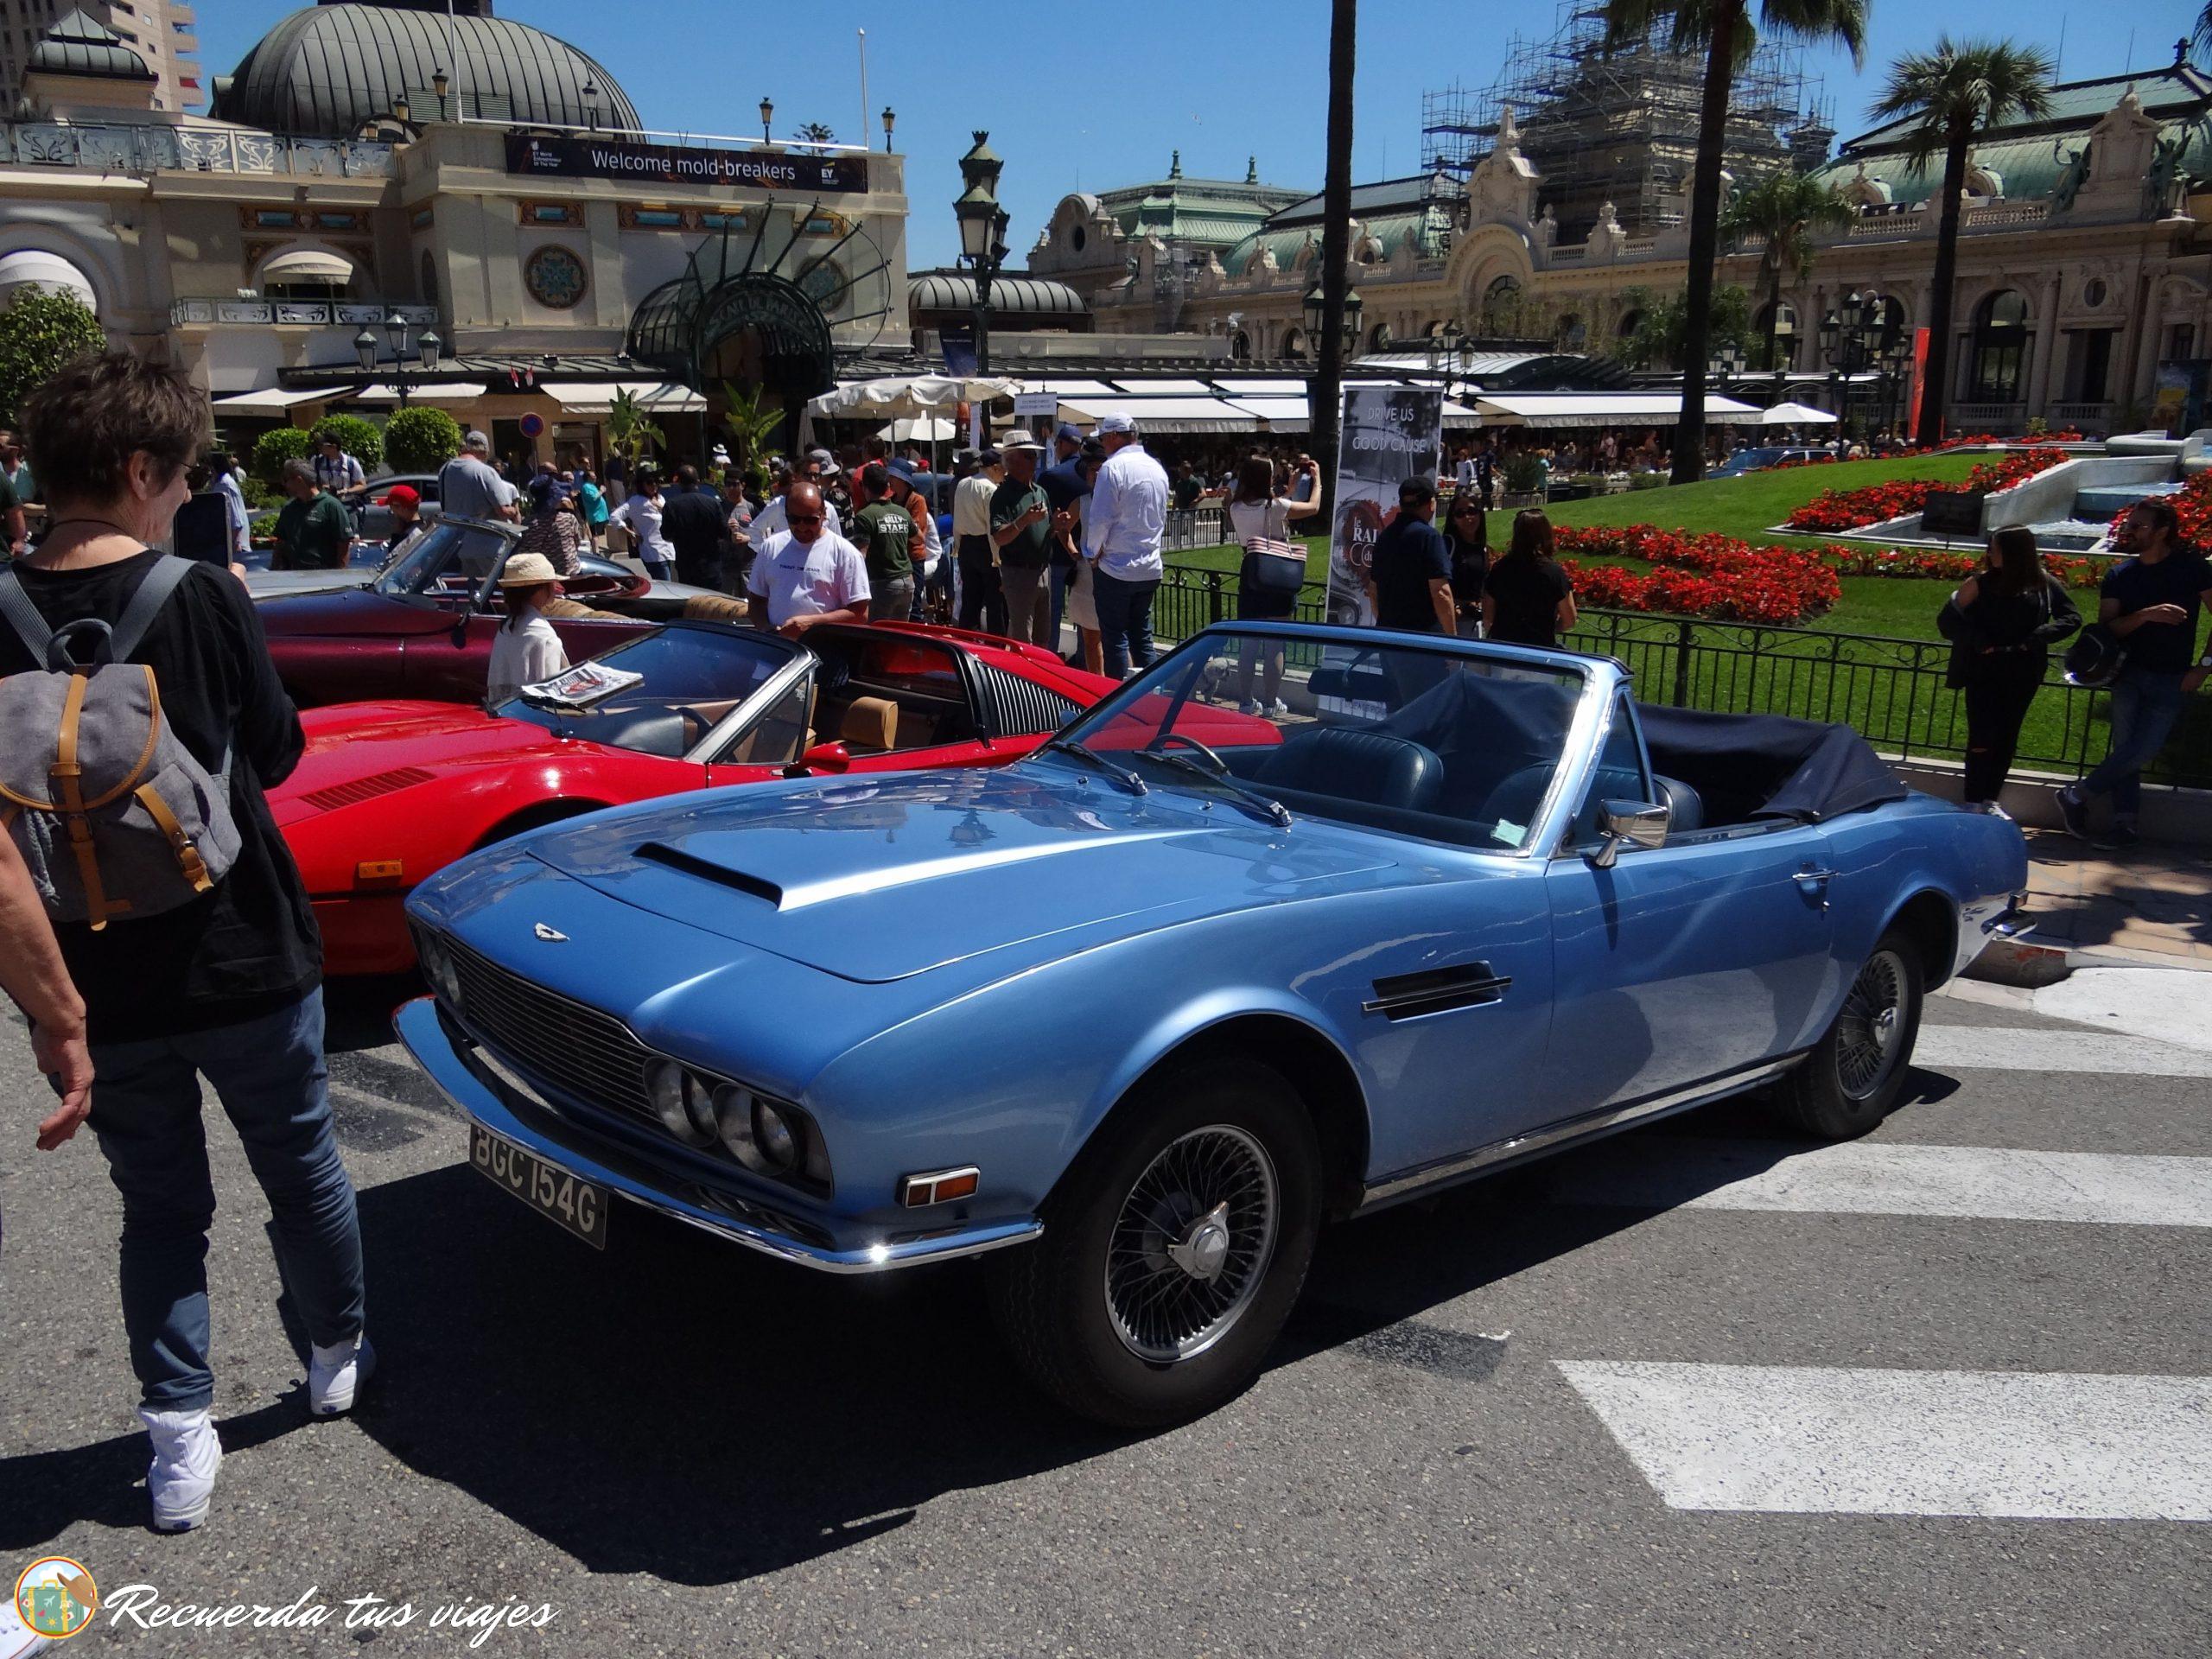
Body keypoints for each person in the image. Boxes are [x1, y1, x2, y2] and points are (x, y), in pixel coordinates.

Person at [0, 351, 366, 1532]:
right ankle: (334, 1352)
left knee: (158, 1206)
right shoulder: (200, 593)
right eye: (183, 475)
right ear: (141, 468)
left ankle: (176, 1442)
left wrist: (55, 1017)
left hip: (95, 973)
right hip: (243, 949)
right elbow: (277, 751)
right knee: (299, 1166)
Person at [2056, 498, 2212, 847]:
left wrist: (2203, 669)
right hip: (2126, 674)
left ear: (2163, 531)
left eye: (2139, 526)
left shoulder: (2192, 569)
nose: (2130, 531)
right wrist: (2144, 615)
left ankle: (2076, 796)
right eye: (2129, 524)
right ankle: (2124, 823)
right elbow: (2106, 630)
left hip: (2173, 676)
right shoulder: (2120, 575)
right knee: (2126, 749)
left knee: (2142, 750)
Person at [1938, 526, 2082, 814]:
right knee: (1982, 734)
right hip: (1984, 669)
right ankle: (1973, 800)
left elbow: (2072, 617)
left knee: (2007, 734)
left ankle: (1991, 798)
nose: (1989, 553)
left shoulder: (2043, 583)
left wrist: (2040, 635)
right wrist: (1978, 640)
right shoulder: (1978, 584)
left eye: (1995, 548)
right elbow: (1947, 622)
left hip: (2023, 669)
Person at [1228, 452, 1321, 713]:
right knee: (1274, 643)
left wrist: (1288, 490)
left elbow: (1269, 509)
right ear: (1265, 478)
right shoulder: (1276, 506)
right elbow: (1313, 507)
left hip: (1252, 572)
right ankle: (1270, 702)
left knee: (1249, 642)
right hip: (1277, 574)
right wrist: (1318, 481)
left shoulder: (1235, 507)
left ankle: (1245, 701)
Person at [1085, 414, 1170, 677]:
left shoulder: (1113, 468)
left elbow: (1100, 518)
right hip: (1149, 566)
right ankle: (1151, 697)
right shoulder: (1157, 468)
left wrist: (1092, 554)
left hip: (1116, 567)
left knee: (1115, 639)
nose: (1102, 445)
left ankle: (1117, 699)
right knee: (1142, 636)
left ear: (1113, 437)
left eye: (1102, 439)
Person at [747, 481, 869, 638]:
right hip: (778, 647)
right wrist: (766, 630)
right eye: (794, 519)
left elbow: (860, 614)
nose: (802, 527)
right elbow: (756, 600)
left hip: (823, 650)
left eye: (810, 520)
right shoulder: (771, 547)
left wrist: (812, 623)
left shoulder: (845, 554)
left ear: (824, 514)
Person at [1365, 476, 1455, 637]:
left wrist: (1385, 624)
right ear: (1431, 504)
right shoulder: (1429, 537)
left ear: (1401, 504)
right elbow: (1441, 592)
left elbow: (1373, 591)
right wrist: (1453, 641)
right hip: (1422, 642)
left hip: (1389, 640)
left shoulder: (1385, 537)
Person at [1482, 508, 1577, 648]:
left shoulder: (1500, 569)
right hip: (1539, 651)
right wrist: (1550, 629)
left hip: (1505, 648)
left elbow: (1488, 614)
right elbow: (1570, 619)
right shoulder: (1554, 573)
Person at [993, 437, 1056, 646]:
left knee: (1042, 638)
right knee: (1022, 639)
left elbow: (1046, 532)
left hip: (1043, 571)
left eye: (1035, 455)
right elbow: (999, 537)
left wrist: (1058, 525)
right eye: (1029, 455)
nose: (1035, 460)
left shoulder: (1040, 491)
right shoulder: (1002, 496)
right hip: (1019, 573)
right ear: (1011, 461)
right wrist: (1025, 520)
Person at [484, 552, 568, 704]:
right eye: (551, 583)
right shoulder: (543, 635)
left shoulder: (506, 628)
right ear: (539, 590)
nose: (555, 588)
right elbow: (553, 692)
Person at [850, 461, 923, 621]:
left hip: (883, 584)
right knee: (899, 635)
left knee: (878, 635)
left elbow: (861, 556)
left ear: (865, 487)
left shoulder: (865, 516)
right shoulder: (902, 512)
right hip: (907, 584)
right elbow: (919, 538)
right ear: (888, 486)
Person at [1063, 440, 1107, 674]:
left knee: (1117, 639)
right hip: (1087, 577)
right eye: (1092, 470)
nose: (1097, 474)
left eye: (1101, 470)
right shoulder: (1083, 502)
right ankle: (1097, 687)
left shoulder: (1118, 502)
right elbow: (1063, 528)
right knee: (1091, 639)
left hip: (1114, 574)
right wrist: (1073, 552)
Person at [955, 447, 1007, 635]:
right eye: (1003, 468)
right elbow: (991, 528)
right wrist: (998, 560)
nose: (1005, 472)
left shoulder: (962, 484)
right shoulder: (991, 489)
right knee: (995, 603)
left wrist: (957, 548)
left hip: (966, 547)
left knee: (970, 600)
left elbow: (958, 521)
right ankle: (997, 645)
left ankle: (966, 642)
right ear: (994, 467)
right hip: (987, 548)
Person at [271, 459, 353, 570]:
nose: (284, 485)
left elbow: (344, 545)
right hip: (292, 576)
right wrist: (274, 571)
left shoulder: (331, 506)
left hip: (322, 575)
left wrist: (339, 575)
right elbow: (280, 543)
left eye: (286, 480)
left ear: (299, 480)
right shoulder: (289, 508)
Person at [659, 462, 731, 588]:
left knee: (692, 604)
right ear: (698, 481)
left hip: (686, 567)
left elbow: (666, 535)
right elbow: (724, 533)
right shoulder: (713, 504)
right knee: (713, 604)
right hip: (711, 566)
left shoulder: (672, 505)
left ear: (679, 483)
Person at [438, 429, 518, 524]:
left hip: (453, 534)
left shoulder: (445, 469)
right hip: (482, 535)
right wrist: (514, 510)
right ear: (485, 451)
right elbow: (503, 511)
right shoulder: (484, 471)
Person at [608, 466, 674, 581]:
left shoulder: (660, 499)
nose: (654, 485)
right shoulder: (636, 502)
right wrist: (630, 533)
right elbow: (614, 517)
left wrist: (659, 506)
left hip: (668, 550)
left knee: (670, 586)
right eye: (649, 482)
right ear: (642, 484)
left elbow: (669, 517)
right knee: (666, 586)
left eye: (656, 482)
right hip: (653, 553)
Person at [513, 474, 587, 576]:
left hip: (546, 578)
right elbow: (577, 542)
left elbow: (526, 554)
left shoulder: (529, 524)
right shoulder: (568, 518)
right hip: (572, 576)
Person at [752, 466, 842, 542]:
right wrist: (769, 552)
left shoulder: (829, 508)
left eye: (812, 520)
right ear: (796, 477)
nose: (812, 479)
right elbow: (754, 530)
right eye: (794, 519)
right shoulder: (779, 505)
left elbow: (837, 543)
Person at [1442, 491, 1489, 634]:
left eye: (1472, 511)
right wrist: (1455, 606)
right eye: (1460, 514)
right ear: (1453, 519)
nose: (1468, 517)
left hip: (1476, 622)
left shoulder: (1483, 549)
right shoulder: (1447, 545)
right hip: (1452, 621)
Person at [209, 448, 252, 564]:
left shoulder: (225, 484)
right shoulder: (219, 483)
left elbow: (235, 518)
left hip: (235, 547)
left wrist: (235, 543)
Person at [311, 432, 367, 517]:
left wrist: (346, 491)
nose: (319, 447)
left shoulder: (351, 463)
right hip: (325, 505)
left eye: (322, 445)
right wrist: (321, 487)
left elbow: (362, 486)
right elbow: (310, 482)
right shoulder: (316, 461)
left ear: (334, 447)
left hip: (347, 506)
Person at [379, 482, 430, 563]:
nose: (392, 512)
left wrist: (396, 534)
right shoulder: (422, 526)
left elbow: (392, 561)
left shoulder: (413, 535)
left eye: (392, 507)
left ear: (402, 508)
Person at [575, 467, 610, 549]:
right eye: (593, 476)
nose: (595, 477)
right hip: (595, 516)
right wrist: (601, 491)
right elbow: (593, 497)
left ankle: (596, 551)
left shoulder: (592, 486)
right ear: (588, 478)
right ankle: (596, 553)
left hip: (599, 515)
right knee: (595, 536)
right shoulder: (586, 487)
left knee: (596, 536)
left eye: (595, 476)